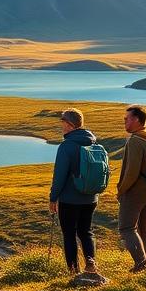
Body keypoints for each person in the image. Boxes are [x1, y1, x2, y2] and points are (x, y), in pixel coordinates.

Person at [48, 108, 99, 274]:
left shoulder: (66, 146)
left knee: (69, 234)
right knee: (86, 231)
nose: (61, 126)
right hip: (91, 197)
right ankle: (91, 263)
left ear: (69, 125)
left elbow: (59, 176)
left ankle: (73, 270)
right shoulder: (93, 142)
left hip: (70, 199)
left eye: (63, 123)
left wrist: (53, 198)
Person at [117, 104, 146, 272]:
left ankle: (141, 265)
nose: (125, 122)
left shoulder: (135, 140)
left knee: (127, 227)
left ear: (136, 120)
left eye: (126, 119)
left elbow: (132, 172)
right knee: (144, 228)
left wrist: (121, 190)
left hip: (136, 191)